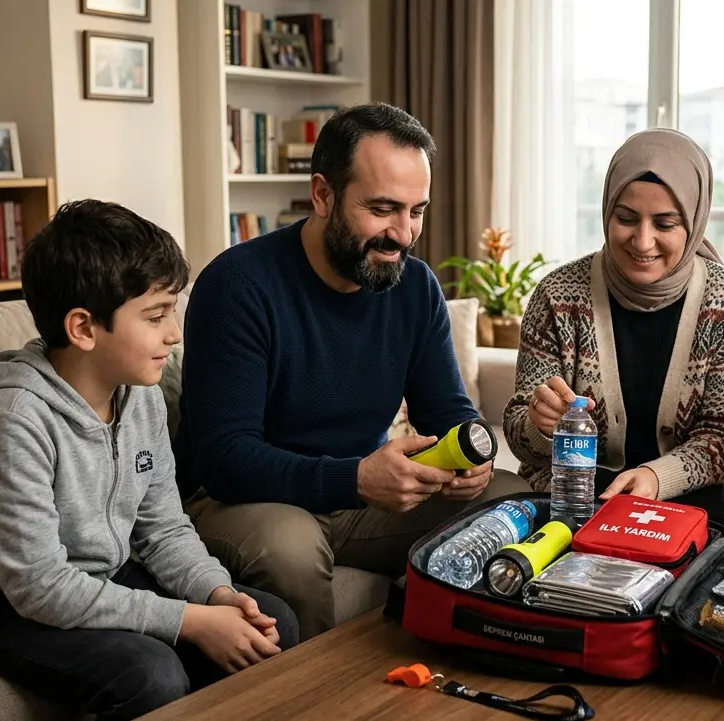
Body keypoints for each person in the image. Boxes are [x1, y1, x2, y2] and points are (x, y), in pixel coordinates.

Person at [0, 200, 300, 721]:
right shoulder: (11, 423)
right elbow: (39, 587)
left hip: (98, 572)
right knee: (150, 676)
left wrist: (218, 594)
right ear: (83, 327)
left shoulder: (137, 394)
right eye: (156, 315)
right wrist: (190, 621)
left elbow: (163, 528)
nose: (175, 333)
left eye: (173, 310)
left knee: (271, 621)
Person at [177, 103, 530, 639]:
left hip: (361, 497)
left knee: (507, 497)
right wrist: (357, 478)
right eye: (384, 209)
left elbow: (447, 409)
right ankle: (321, 711)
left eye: (416, 211)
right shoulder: (237, 286)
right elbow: (225, 459)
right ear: (323, 194)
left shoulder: (415, 287)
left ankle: (454, 662)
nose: (404, 235)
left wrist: (470, 451)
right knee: (290, 550)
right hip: (248, 499)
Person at [502, 129, 724, 531]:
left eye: (665, 224)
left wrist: (658, 479)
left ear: (693, 223)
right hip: (575, 492)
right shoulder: (557, 296)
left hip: (691, 494)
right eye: (625, 219)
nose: (642, 241)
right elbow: (518, 436)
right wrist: (538, 425)